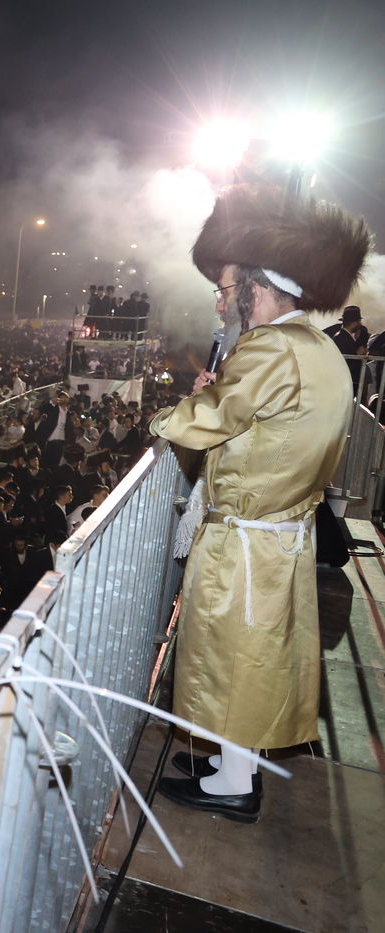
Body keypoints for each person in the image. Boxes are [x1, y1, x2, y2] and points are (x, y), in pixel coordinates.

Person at [150, 182, 369, 823]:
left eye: (225, 290)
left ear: (258, 287)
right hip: (279, 532)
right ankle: (229, 764)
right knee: (251, 656)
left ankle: (233, 785)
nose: (221, 302)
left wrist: (167, 415)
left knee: (236, 657)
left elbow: (208, 420)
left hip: (249, 535)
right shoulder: (317, 346)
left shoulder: (273, 346)